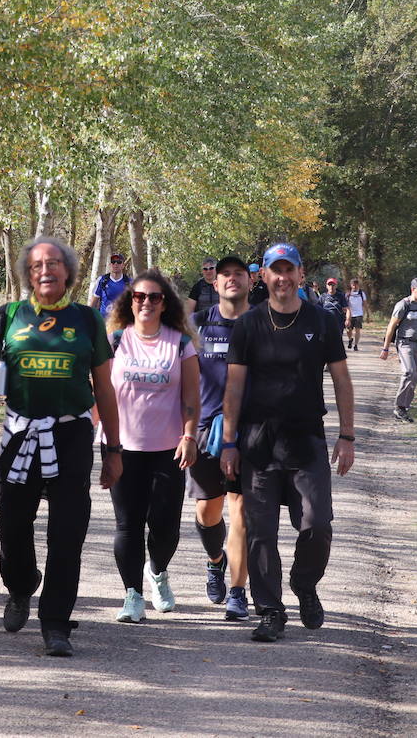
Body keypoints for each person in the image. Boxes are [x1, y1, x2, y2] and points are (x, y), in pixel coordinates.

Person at [0, 236, 123, 657]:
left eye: (54, 264)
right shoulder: (7, 318)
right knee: (11, 526)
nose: (46, 271)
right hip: (20, 435)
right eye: (37, 266)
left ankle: (56, 624)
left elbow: (105, 390)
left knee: (67, 533)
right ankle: (20, 585)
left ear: (68, 271)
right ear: (27, 274)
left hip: (71, 437)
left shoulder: (88, 321)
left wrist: (113, 450)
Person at [220, 242, 355, 643]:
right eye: (274, 270)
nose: (282, 278)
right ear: (264, 275)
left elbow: (342, 380)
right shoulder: (248, 325)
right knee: (260, 532)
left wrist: (347, 435)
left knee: (317, 524)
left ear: (299, 274)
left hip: (307, 439)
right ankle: (271, 611)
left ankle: (304, 584)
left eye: (289, 270)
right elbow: (233, 388)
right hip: (259, 442)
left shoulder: (323, 321)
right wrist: (229, 443)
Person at [106, 269, 200, 622]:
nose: (146, 302)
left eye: (154, 297)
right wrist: (99, 438)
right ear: (130, 302)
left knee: (165, 527)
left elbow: (192, 397)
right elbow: (101, 394)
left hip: (169, 447)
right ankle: (132, 595)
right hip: (122, 447)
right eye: (139, 297)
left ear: (165, 304)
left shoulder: (180, 343)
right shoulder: (115, 341)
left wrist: (189, 436)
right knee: (127, 525)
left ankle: (157, 572)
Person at [189, 255, 252, 621]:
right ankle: (216, 560)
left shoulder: (264, 324)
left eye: (238, 274)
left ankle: (238, 592)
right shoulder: (198, 325)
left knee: (241, 510)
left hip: (249, 431)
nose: (231, 279)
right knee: (208, 512)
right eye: (225, 274)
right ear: (215, 283)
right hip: (204, 431)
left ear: (250, 281)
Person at [380, 277, 417, 422]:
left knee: (415, 377)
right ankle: (399, 406)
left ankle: (404, 408)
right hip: (404, 343)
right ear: (413, 289)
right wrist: (385, 348)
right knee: (409, 372)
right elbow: (391, 326)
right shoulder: (403, 305)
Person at [89, 252, 131, 318]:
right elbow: (94, 301)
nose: (116, 264)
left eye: (119, 262)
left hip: (122, 321)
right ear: (110, 265)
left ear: (123, 265)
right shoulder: (102, 280)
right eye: (113, 262)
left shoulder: (129, 282)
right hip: (103, 321)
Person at [345, 278, 368, 351]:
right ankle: (350, 339)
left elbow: (365, 304)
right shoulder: (348, 294)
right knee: (348, 330)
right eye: (353, 285)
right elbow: (345, 305)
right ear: (351, 285)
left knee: (357, 330)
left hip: (359, 314)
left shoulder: (361, 293)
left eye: (356, 284)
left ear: (358, 285)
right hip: (349, 315)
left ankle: (356, 345)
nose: (354, 286)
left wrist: (367, 314)